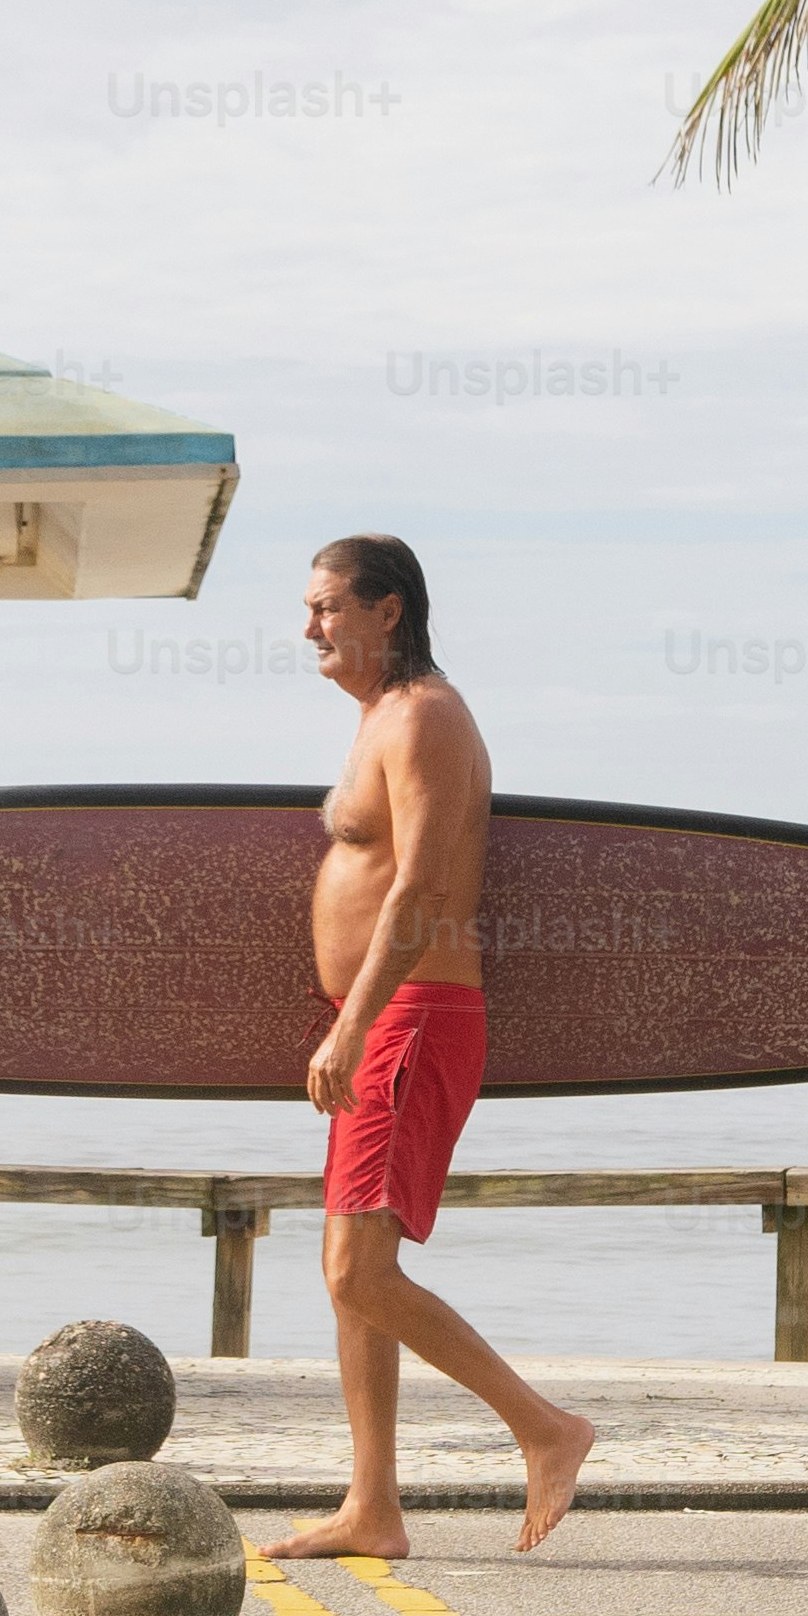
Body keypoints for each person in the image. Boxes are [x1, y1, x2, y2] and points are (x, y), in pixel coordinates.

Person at [266, 532, 592, 1557]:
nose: (309, 626)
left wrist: (354, 1027)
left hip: (410, 1019)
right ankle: (373, 1507)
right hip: (383, 1019)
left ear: (387, 610)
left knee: (361, 1271)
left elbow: (416, 888)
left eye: (327, 607)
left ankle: (547, 1428)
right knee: (345, 1267)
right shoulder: (381, 718)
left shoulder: (428, 720)